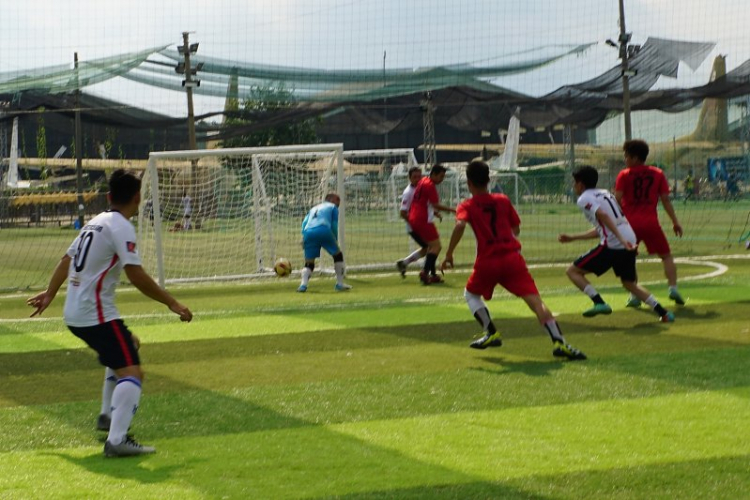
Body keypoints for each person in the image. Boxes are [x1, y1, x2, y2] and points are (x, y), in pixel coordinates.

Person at [26, 169, 193, 458]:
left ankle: (107, 415)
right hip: (97, 315)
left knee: (131, 345)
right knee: (133, 372)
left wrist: (50, 293)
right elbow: (136, 274)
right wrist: (172, 303)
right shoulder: (121, 226)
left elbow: (66, 260)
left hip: (75, 313)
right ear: (138, 197)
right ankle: (116, 441)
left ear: (108, 196)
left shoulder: (94, 222)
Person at [441, 161, 586, 360]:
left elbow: (459, 226)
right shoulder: (502, 200)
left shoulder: (467, 205)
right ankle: (560, 342)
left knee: (471, 295)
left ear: (468, 183)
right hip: (512, 259)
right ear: (489, 180)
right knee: (536, 303)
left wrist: (449, 253)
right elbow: (516, 230)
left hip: (488, 261)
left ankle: (491, 332)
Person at [559, 165, 675, 323]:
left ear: (581, 184)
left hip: (615, 243)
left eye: (575, 183)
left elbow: (604, 216)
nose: (574, 186)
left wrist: (620, 240)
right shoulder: (605, 193)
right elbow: (604, 226)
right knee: (629, 283)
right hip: (629, 238)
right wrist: (573, 237)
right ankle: (664, 313)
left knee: (573, 271)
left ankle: (599, 302)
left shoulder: (584, 198)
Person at [614, 139, 685, 307]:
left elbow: (616, 200)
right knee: (666, 256)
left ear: (635, 158)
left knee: (629, 260)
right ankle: (673, 287)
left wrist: (617, 221)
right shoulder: (658, 173)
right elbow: (665, 200)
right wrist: (675, 222)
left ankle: (634, 295)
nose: (625, 159)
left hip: (629, 225)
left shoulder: (624, 175)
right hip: (651, 223)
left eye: (627, 156)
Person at [407, 164, 456, 285]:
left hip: (415, 217)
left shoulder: (423, 181)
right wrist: (453, 210)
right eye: (441, 176)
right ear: (433, 174)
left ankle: (432, 274)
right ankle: (425, 272)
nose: (442, 179)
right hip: (422, 219)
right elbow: (436, 204)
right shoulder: (430, 185)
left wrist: (434, 213)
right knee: (436, 247)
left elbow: (423, 202)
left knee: (431, 248)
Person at [297, 193, 351, 293]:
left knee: (309, 262)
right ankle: (340, 284)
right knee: (338, 255)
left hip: (308, 232)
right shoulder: (333, 207)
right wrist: (334, 238)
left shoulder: (314, 208)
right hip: (323, 229)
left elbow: (304, 223)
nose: (339, 203)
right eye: (337, 199)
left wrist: (303, 236)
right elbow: (334, 225)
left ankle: (303, 285)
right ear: (330, 199)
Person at [395, 167, 428, 277]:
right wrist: (414, 223)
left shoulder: (421, 189)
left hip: (422, 225)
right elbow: (403, 212)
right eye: (415, 177)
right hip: (414, 227)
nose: (418, 179)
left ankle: (404, 263)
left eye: (419, 176)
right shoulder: (408, 192)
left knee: (429, 248)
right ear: (409, 178)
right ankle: (427, 271)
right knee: (432, 247)